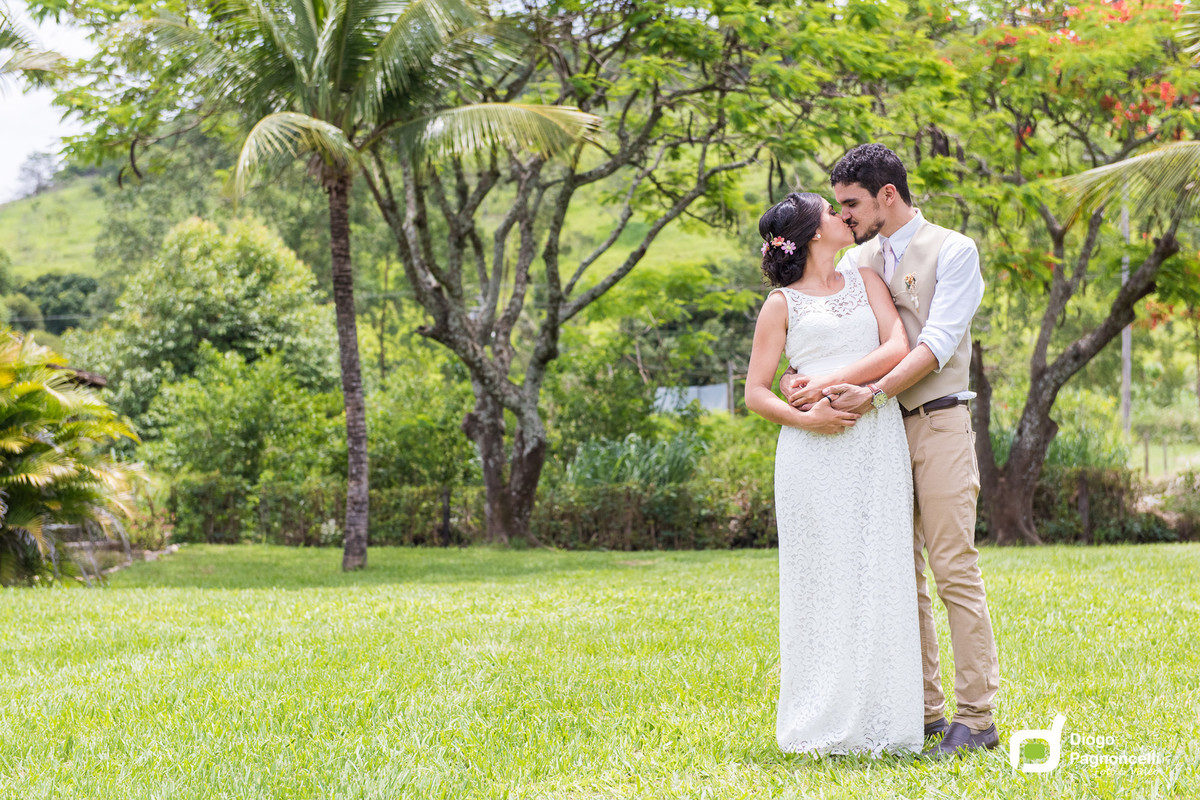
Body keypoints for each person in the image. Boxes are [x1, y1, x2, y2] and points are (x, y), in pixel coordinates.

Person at [781, 143, 1001, 757]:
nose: (843, 215)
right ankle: (926, 711)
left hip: (936, 422)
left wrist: (872, 391)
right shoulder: (858, 258)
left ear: (887, 195)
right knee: (898, 573)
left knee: (953, 567)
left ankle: (977, 717)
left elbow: (934, 343)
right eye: (839, 206)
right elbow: (829, 324)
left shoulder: (955, 250)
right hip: (873, 438)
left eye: (851, 203)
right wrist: (804, 378)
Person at [744, 191, 923, 756]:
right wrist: (810, 419)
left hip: (874, 437)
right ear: (812, 232)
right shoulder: (781, 304)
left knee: (879, 568)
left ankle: (886, 719)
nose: (843, 217)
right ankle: (818, 717)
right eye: (830, 212)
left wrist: (822, 385)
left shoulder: (866, 279)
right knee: (822, 579)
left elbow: (898, 345)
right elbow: (754, 393)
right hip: (811, 453)